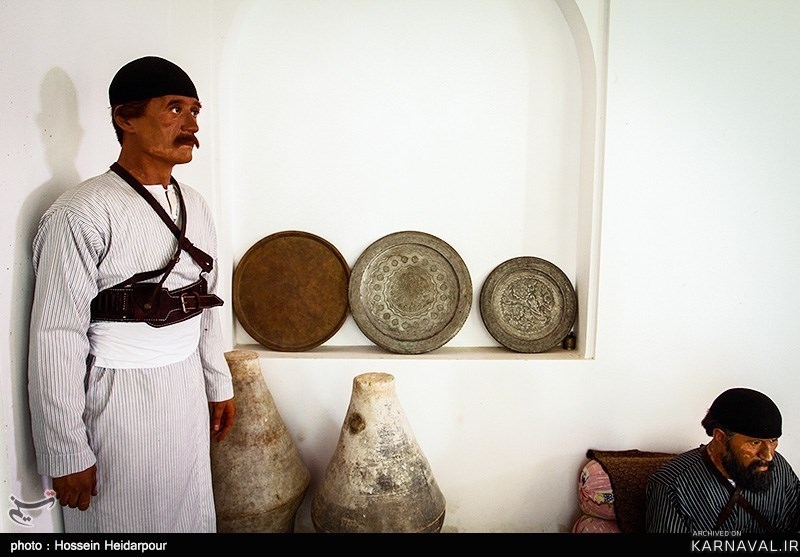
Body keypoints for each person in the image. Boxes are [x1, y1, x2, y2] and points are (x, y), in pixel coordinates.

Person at [27, 56, 236, 533]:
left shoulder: (195, 204)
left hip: (184, 390)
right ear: (125, 118)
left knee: (190, 514)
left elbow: (205, 302)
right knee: (121, 523)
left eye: (195, 111)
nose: (191, 124)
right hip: (116, 400)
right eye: (175, 109)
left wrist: (217, 382)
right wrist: (66, 449)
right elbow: (57, 335)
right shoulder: (81, 212)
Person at [646, 387, 800, 534]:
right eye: (755, 443)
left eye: (773, 441)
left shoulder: (779, 467)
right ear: (720, 437)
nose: (768, 456)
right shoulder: (672, 483)